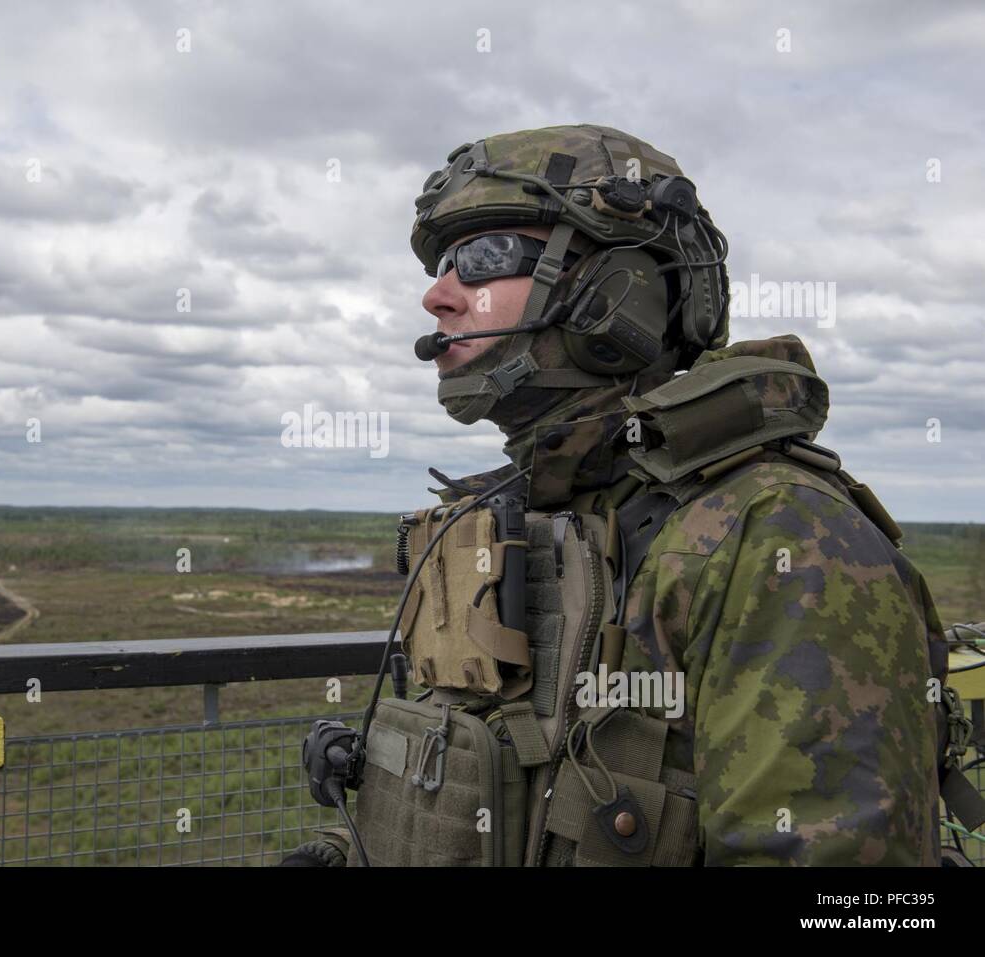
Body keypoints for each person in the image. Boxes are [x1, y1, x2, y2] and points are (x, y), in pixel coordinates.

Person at [288, 124, 972, 867]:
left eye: (481, 259)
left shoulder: (776, 536)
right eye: (445, 264)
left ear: (617, 290)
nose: (437, 296)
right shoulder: (536, 516)